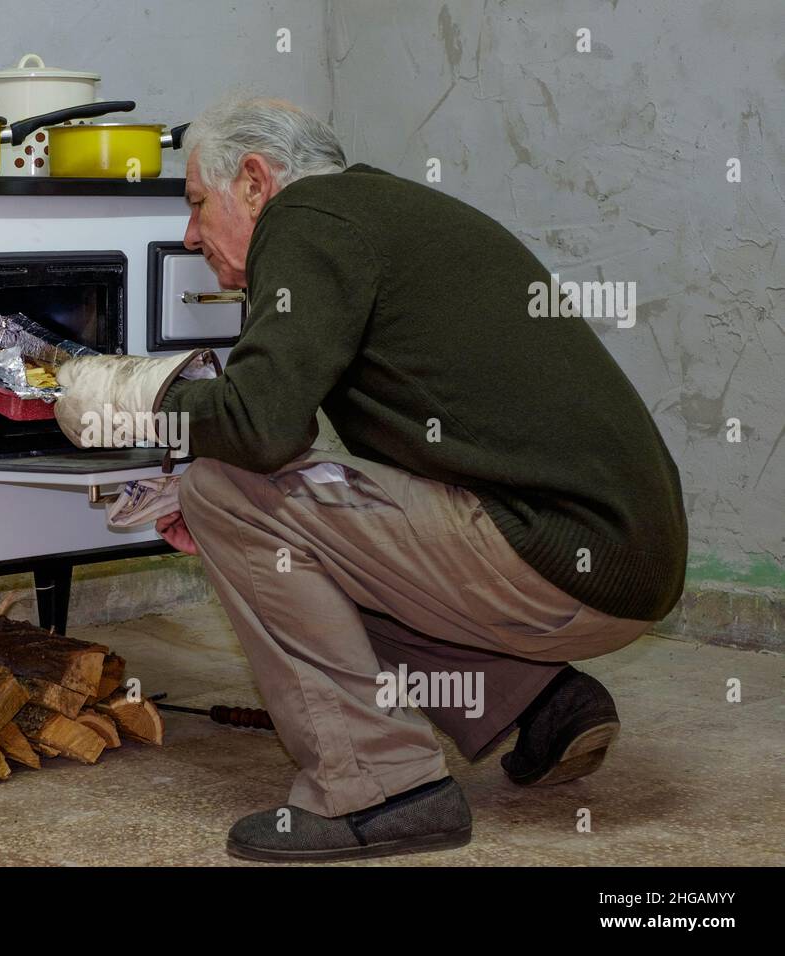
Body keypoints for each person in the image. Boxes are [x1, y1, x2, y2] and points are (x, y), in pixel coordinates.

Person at [54, 95, 687, 862]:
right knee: (254, 514)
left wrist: (131, 400)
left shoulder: (309, 218)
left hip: (561, 560)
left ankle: (382, 788)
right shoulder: (375, 214)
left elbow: (261, 426)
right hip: (619, 562)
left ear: (255, 182)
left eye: (196, 204)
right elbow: (308, 445)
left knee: (224, 487)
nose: (191, 237)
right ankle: (539, 700)